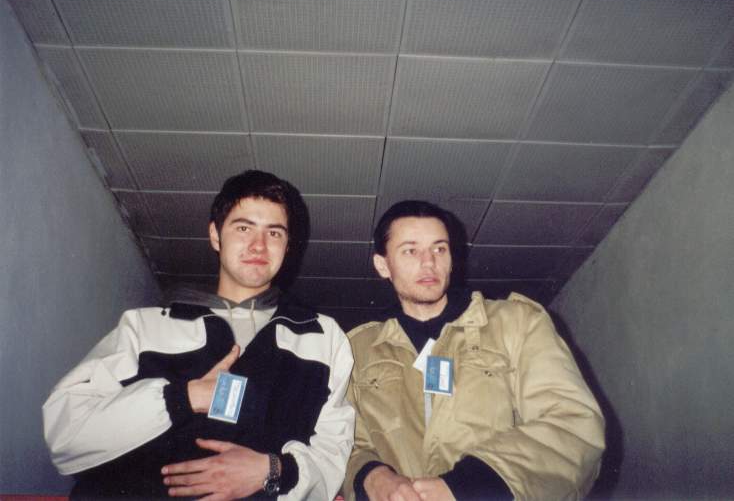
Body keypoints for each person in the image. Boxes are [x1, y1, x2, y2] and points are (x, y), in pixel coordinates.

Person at [43, 170, 355, 500]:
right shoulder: (145, 328)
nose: (259, 245)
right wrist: (183, 398)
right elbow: (66, 434)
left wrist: (273, 470)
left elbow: (333, 455)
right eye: (244, 228)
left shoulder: (323, 337)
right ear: (216, 236)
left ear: (288, 246)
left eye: (274, 233)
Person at [344, 201, 605, 501]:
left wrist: (466, 487)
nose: (429, 262)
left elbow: (574, 426)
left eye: (439, 248)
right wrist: (371, 476)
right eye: (410, 251)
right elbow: (342, 442)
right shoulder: (357, 350)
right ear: (383, 265)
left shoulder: (517, 323)